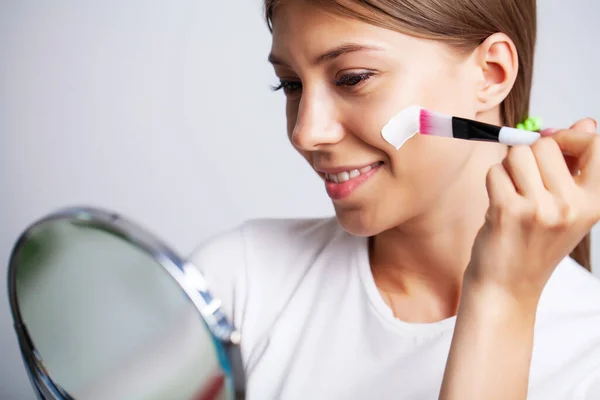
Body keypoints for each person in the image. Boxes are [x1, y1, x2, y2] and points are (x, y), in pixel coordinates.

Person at [190, 0, 600, 398]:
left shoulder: (588, 361)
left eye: (352, 78)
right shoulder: (236, 287)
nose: (306, 132)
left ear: (491, 74)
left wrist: (501, 298)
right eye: (291, 84)